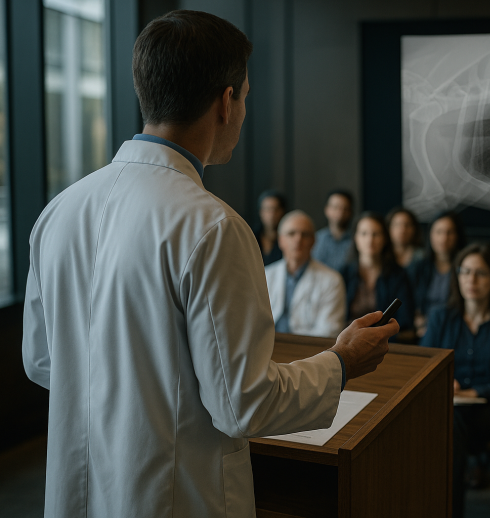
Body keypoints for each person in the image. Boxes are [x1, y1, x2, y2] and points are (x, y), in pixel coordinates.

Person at [21, 11, 398, 518]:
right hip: (172, 497)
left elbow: (41, 360)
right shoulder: (212, 227)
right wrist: (342, 361)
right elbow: (244, 404)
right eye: (244, 97)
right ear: (227, 101)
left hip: (77, 494)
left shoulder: (58, 211)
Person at [421, 243, 490, 518]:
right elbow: (422, 369)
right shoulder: (441, 317)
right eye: (465, 271)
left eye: (480, 273)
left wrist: (472, 392)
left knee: (449, 424)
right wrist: (447, 385)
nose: (471, 279)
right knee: (447, 422)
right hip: (448, 409)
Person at [265, 210, 346, 338]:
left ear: (314, 241)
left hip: (308, 353)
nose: (298, 239)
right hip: (266, 349)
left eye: (305, 234)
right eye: (291, 233)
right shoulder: (265, 275)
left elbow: (329, 331)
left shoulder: (332, 280)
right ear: (280, 240)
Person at [340, 212, 415, 341]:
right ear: (355, 238)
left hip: (386, 343)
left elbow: (405, 322)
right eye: (364, 233)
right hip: (347, 342)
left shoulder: (399, 275)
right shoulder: (344, 274)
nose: (370, 240)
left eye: (376, 234)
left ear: (385, 239)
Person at [407, 211, 466, 338]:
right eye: (438, 232)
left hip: (454, 328)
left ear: (457, 236)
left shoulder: (465, 268)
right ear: (430, 235)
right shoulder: (419, 267)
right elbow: (410, 301)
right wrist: (419, 322)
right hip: (421, 329)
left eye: (449, 232)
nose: (444, 238)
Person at [312, 189, 354, 272]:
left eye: (345, 208)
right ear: (327, 209)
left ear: (350, 212)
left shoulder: (356, 241)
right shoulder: (316, 239)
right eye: (335, 207)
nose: (340, 212)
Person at [253, 189, 287, 266]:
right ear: (261, 212)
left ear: (282, 211)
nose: (272, 214)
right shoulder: (251, 236)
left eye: (275, 209)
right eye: (267, 209)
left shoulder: (288, 238)